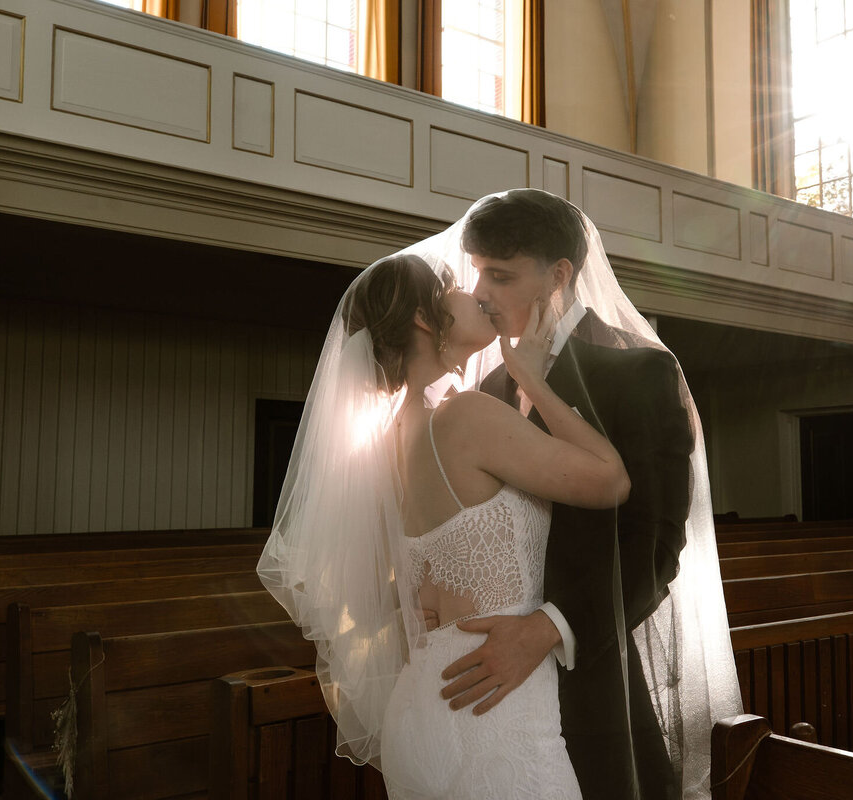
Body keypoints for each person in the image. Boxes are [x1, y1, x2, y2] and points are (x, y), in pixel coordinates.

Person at [259, 189, 741, 800]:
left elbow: (657, 544)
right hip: (480, 703)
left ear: (558, 275)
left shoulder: (637, 372)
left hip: (587, 685)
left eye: (500, 274)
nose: (481, 289)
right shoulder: (482, 390)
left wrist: (548, 628)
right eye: (476, 272)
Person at [259, 251, 629, 798]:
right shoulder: (465, 416)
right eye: (455, 286)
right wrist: (534, 379)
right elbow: (611, 481)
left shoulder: (387, 443)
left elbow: (363, 600)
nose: (476, 292)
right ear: (424, 319)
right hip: (494, 715)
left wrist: (415, 602)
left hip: (420, 713)